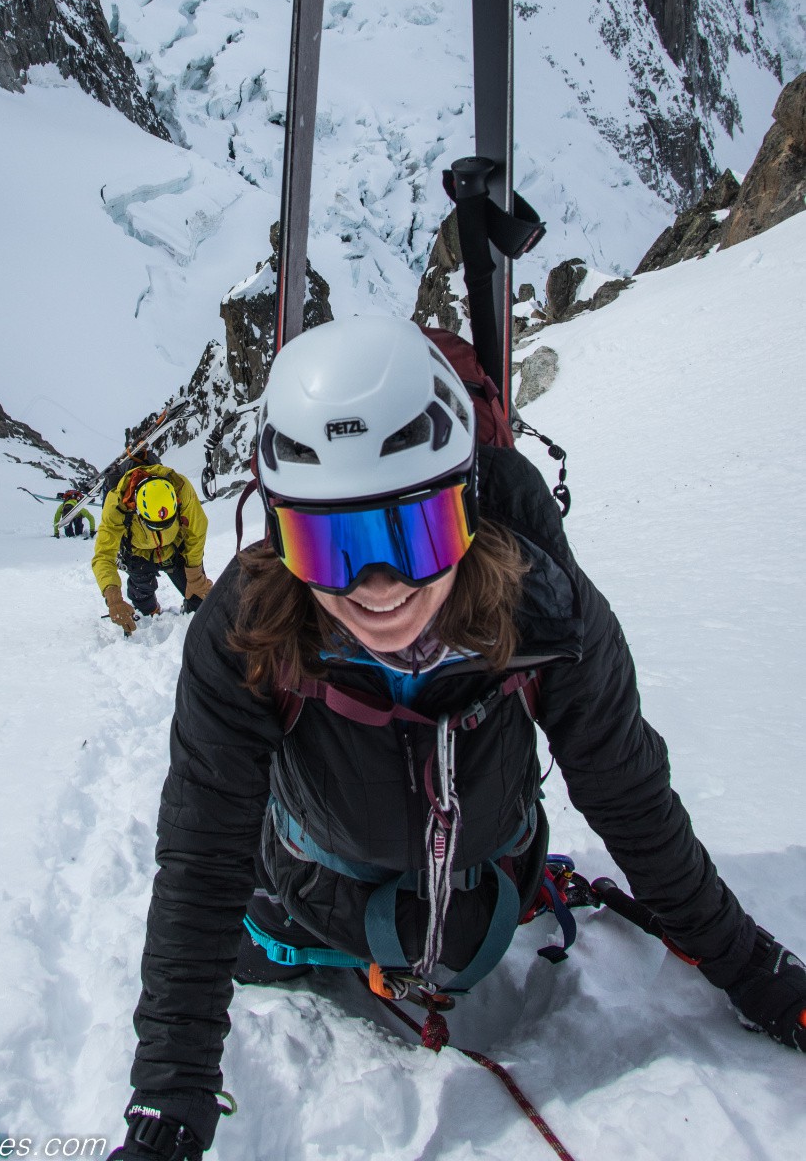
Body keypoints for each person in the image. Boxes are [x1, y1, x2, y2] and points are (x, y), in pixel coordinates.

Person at [107, 314, 805, 1160]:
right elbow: (202, 853)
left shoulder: (546, 613)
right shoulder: (243, 634)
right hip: (330, 898)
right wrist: (170, 1097)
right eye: (331, 544)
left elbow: (630, 799)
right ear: (280, 538)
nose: (378, 589)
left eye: (414, 532)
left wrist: (757, 976)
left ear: (470, 506)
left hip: (482, 899)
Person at [94, 462, 213, 635]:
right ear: (137, 510)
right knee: (143, 600)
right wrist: (113, 597)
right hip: (138, 554)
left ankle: (190, 609)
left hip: (175, 548)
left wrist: (195, 575)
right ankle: (150, 611)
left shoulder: (181, 488)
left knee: (200, 601)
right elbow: (103, 554)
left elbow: (197, 530)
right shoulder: (117, 504)